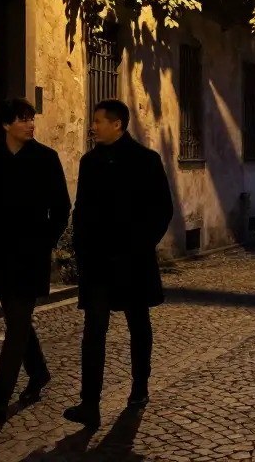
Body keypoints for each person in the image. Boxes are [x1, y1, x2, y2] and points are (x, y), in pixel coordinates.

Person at [0, 98, 71, 422]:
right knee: (17, 322)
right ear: (7, 125)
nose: (31, 124)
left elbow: (61, 208)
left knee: (17, 325)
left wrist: (45, 241)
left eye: (32, 118)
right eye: (23, 119)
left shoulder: (46, 159)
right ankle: (39, 375)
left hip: (31, 256)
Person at [63, 99, 173, 428]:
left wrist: (139, 245)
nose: (92, 126)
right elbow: (82, 209)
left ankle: (139, 388)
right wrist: (81, 246)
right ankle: (90, 403)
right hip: (97, 262)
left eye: (98, 121)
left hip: (133, 261)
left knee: (138, 325)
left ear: (117, 125)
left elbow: (162, 210)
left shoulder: (146, 161)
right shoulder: (90, 162)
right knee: (94, 331)